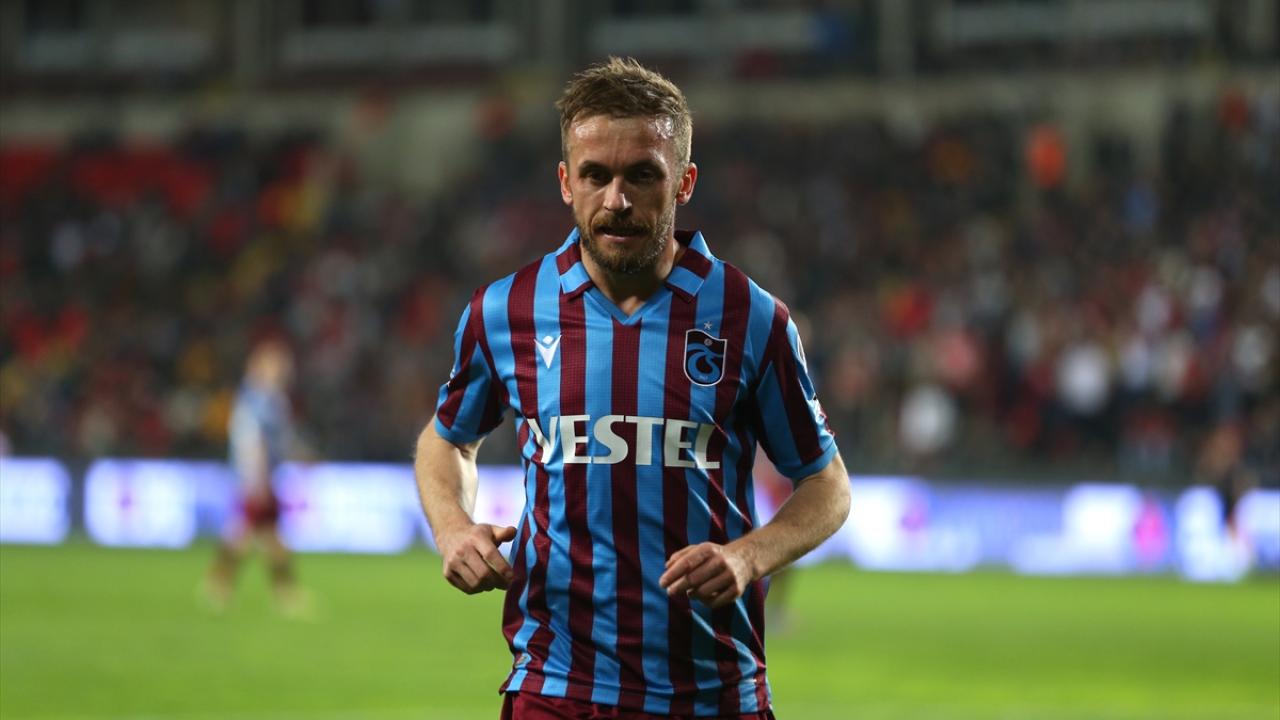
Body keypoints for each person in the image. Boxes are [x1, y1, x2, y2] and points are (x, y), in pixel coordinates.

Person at [415, 57, 850, 719]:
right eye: (596, 175)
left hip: (710, 694)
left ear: (684, 182)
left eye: (642, 175)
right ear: (566, 182)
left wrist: (747, 557)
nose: (616, 200)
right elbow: (447, 441)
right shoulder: (506, 311)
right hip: (554, 690)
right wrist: (453, 529)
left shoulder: (751, 317)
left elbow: (827, 483)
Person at [204, 338, 309, 616]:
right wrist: (257, 477)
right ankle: (281, 593)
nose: (284, 370)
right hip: (257, 478)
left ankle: (221, 585)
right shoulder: (260, 401)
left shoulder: (266, 398)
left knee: (257, 534)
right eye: (278, 365)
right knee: (254, 533)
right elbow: (252, 442)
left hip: (262, 477)